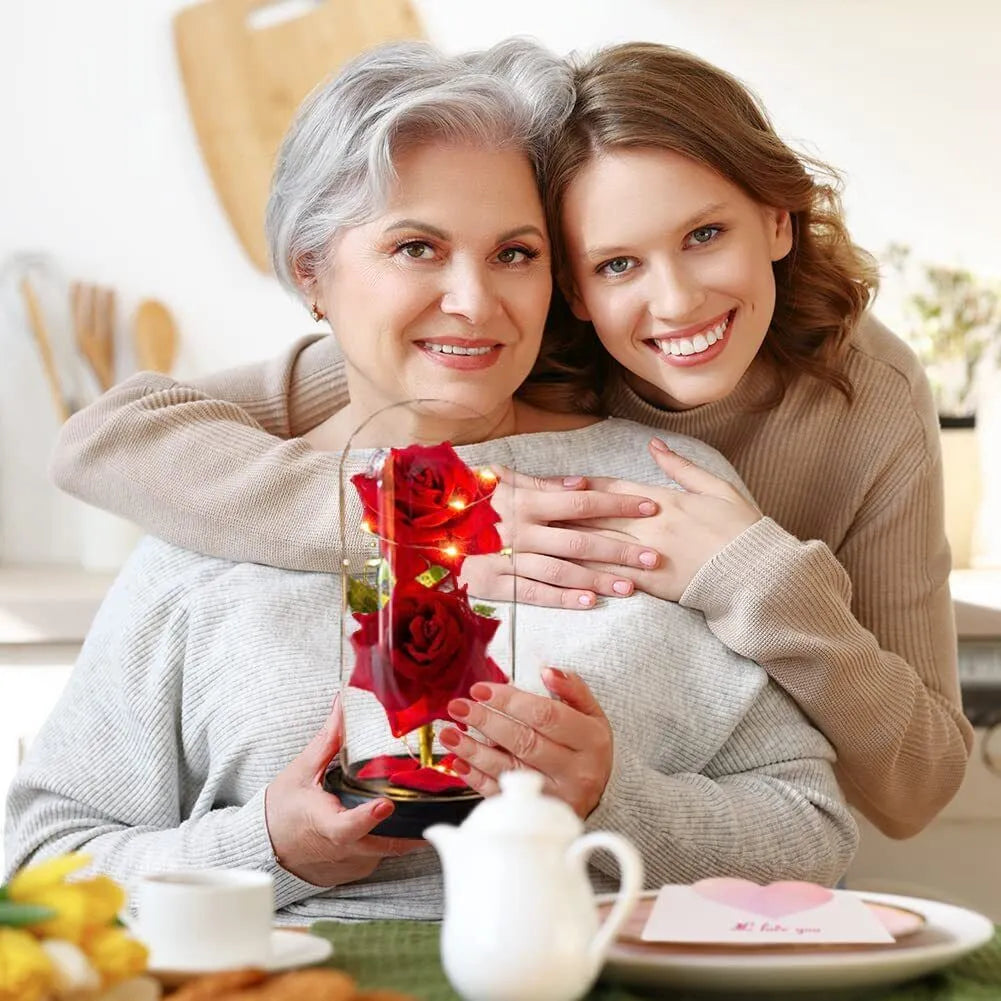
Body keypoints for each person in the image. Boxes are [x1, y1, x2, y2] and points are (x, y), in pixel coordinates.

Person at [5, 40, 856, 920]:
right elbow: (38, 868)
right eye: (417, 247)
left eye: (514, 254)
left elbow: (814, 835)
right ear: (312, 273)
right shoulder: (209, 501)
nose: (475, 301)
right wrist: (267, 845)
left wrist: (611, 797)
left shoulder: (656, 493)